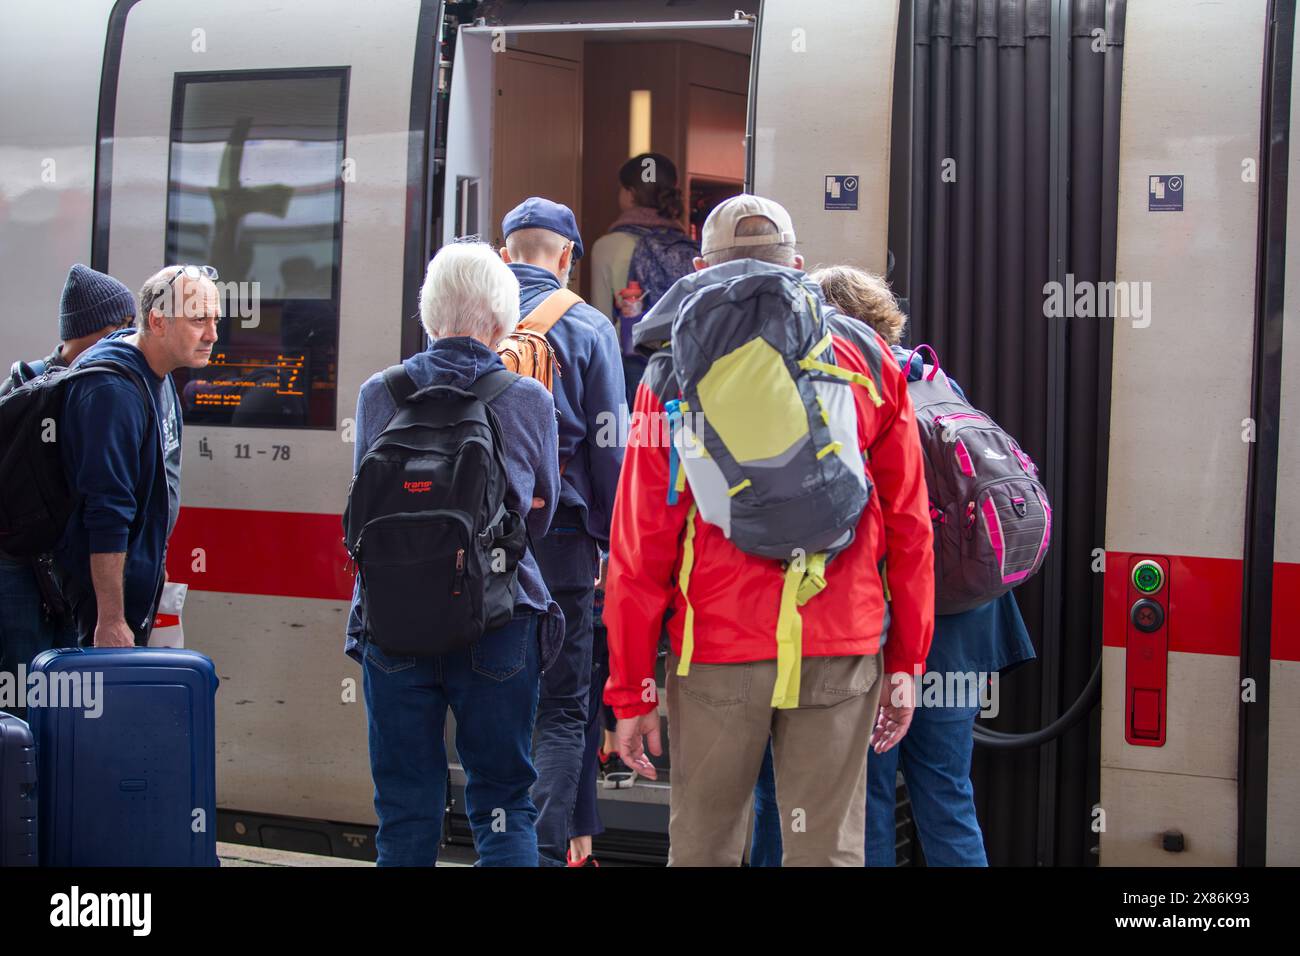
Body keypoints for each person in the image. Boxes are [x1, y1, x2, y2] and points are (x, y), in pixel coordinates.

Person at [603, 195, 936, 866]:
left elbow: (640, 546)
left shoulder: (668, 371)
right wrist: (906, 662)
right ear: (800, 266)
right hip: (839, 646)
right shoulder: (867, 357)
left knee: (704, 846)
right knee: (826, 853)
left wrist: (631, 687)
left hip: (718, 649)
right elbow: (909, 525)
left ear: (699, 269)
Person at [747, 265, 1036, 867]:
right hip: (964, 623)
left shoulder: (853, 385)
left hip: (888, 627)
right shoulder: (935, 377)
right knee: (948, 793)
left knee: (868, 798)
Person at [346, 240, 562, 867]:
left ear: (428, 315)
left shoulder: (377, 394)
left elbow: (366, 505)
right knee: (502, 803)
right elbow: (539, 510)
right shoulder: (528, 399)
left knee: (405, 807)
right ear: (502, 322)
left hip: (393, 625)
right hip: (497, 624)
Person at [497, 198, 626, 867]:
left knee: (495, 695)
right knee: (562, 705)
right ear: (568, 257)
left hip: (482, 536)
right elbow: (611, 448)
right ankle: (546, 855)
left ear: (505, 252)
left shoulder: (469, 318)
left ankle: (520, 845)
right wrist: (609, 540)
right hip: (565, 538)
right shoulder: (589, 326)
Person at [53, 265, 217, 647]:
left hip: (137, 586)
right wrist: (110, 619)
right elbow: (107, 510)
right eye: (197, 320)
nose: (212, 334)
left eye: (214, 319)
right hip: (107, 605)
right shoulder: (112, 390)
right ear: (158, 322)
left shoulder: (156, 372)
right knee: (101, 703)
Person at [0, 265, 137, 711]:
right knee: (36, 702)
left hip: (39, 570)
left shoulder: (23, 383)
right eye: (123, 328)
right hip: (32, 572)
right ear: (103, 330)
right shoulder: (80, 390)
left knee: (45, 697)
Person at [588, 152, 699, 408]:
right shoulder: (689, 247)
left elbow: (601, 323)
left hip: (633, 365)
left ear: (629, 194)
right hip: (686, 361)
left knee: (638, 440)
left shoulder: (608, 246)